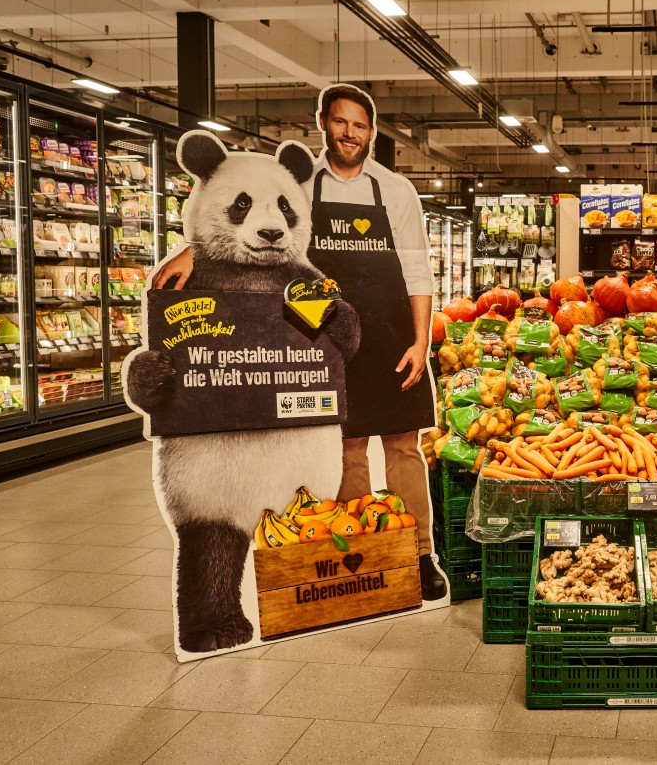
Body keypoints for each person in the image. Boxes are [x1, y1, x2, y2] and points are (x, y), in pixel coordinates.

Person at [155, 84, 448, 601]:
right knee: (348, 449)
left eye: (360, 125)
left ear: (372, 131)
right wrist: (190, 253)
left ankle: (421, 554)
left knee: (405, 447)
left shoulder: (395, 190)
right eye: (340, 123)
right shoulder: (299, 183)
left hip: (390, 331)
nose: (350, 133)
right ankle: (370, 553)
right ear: (323, 124)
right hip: (324, 332)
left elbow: (417, 270)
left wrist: (421, 340)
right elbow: (247, 226)